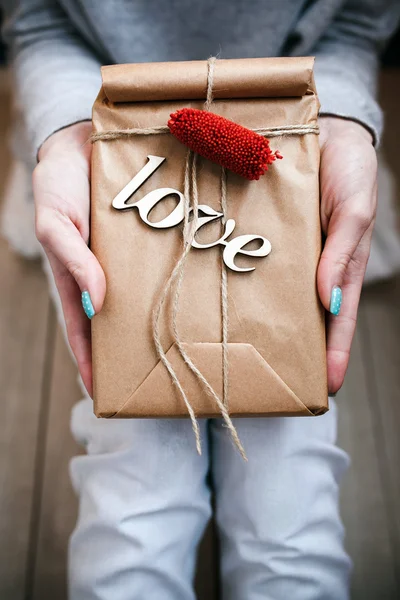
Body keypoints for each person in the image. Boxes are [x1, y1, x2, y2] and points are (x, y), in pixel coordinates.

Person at [2, 1, 400, 599]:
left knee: (291, 521)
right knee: (131, 512)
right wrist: (65, 136)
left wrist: (335, 123)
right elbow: (36, 17)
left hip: (294, 149)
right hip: (101, 148)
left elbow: (356, 21)